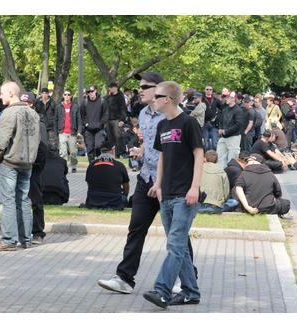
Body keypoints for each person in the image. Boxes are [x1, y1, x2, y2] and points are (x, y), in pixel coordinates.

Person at [97, 72, 197, 297]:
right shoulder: (143, 114)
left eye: (145, 86)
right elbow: (154, 146)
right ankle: (124, 278)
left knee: (177, 234)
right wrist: (140, 151)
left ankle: (187, 280)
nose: (140, 90)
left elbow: (187, 152)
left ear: (160, 91)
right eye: (139, 86)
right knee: (136, 229)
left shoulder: (176, 117)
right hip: (147, 179)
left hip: (171, 184)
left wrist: (191, 185)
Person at [144, 80, 204, 308]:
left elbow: (199, 156)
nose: (152, 99)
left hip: (184, 195)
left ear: (167, 99)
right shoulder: (162, 126)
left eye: (156, 96)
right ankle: (190, 291)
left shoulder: (188, 123)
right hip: (166, 195)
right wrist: (158, 184)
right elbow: (162, 157)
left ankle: (162, 291)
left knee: (175, 245)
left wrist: (195, 187)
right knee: (177, 246)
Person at [0, 82, 40, 251]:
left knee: (8, 201)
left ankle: (9, 240)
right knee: (24, 200)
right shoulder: (33, 113)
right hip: (27, 163)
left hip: (9, 162)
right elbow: (36, 140)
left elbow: (1, 140)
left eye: (2, 93)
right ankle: (26, 239)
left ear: (11, 93)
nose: (0, 97)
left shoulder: (9, 113)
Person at [21, 91, 49, 244]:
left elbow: (43, 148)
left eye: (26, 103)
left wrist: (35, 164)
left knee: (35, 199)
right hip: (18, 164)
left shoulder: (39, 123)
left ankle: (38, 231)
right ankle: (22, 230)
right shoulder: (17, 120)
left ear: (31, 104)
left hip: (33, 166)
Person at [85, 140, 130, 209]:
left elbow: (89, 184)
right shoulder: (119, 165)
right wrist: (124, 196)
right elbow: (126, 186)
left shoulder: (91, 165)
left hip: (94, 200)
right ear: (113, 150)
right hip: (114, 201)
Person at [80, 85, 108, 163]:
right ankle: (92, 164)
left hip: (99, 129)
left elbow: (105, 114)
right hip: (88, 129)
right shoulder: (84, 102)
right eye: (88, 92)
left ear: (96, 91)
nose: (90, 93)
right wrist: (85, 124)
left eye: (92, 91)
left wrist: (101, 123)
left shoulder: (102, 101)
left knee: (98, 145)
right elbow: (82, 115)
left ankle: (99, 162)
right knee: (89, 148)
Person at [217, 91, 244, 168]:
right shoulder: (225, 109)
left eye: (228, 97)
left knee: (232, 161)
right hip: (224, 137)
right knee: (219, 158)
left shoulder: (238, 110)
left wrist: (226, 131)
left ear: (233, 99)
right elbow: (221, 120)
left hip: (234, 138)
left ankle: (231, 178)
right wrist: (220, 128)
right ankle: (222, 176)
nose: (226, 99)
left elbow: (238, 125)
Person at [57, 89, 82, 173]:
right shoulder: (59, 106)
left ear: (71, 96)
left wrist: (79, 131)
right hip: (62, 132)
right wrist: (56, 130)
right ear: (63, 96)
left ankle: (73, 166)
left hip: (72, 132)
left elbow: (79, 119)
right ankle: (63, 166)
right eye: (65, 94)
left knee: (73, 152)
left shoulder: (75, 106)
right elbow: (55, 119)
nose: (67, 96)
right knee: (63, 152)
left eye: (68, 94)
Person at [198, 150, 230, 214]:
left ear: (205, 158)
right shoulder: (221, 171)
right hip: (215, 205)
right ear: (217, 160)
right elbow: (226, 191)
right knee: (233, 202)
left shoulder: (198, 168)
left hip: (198, 203)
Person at [104, 82, 127, 155]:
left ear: (115, 88)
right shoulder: (107, 97)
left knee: (118, 136)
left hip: (117, 119)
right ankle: (113, 153)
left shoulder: (120, 96)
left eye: (110, 87)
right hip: (108, 120)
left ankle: (121, 152)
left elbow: (123, 108)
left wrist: (122, 120)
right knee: (110, 138)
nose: (109, 89)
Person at [202, 85, 220, 151]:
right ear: (205, 90)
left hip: (214, 124)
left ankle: (215, 159)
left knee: (215, 144)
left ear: (212, 91)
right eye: (207, 89)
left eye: (210, 89)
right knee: (205, 144)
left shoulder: (216, 100)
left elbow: (222, 110)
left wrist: (217, 118)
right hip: (204, 123)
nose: (208, 91)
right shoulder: (202, 99)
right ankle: (206, 159)